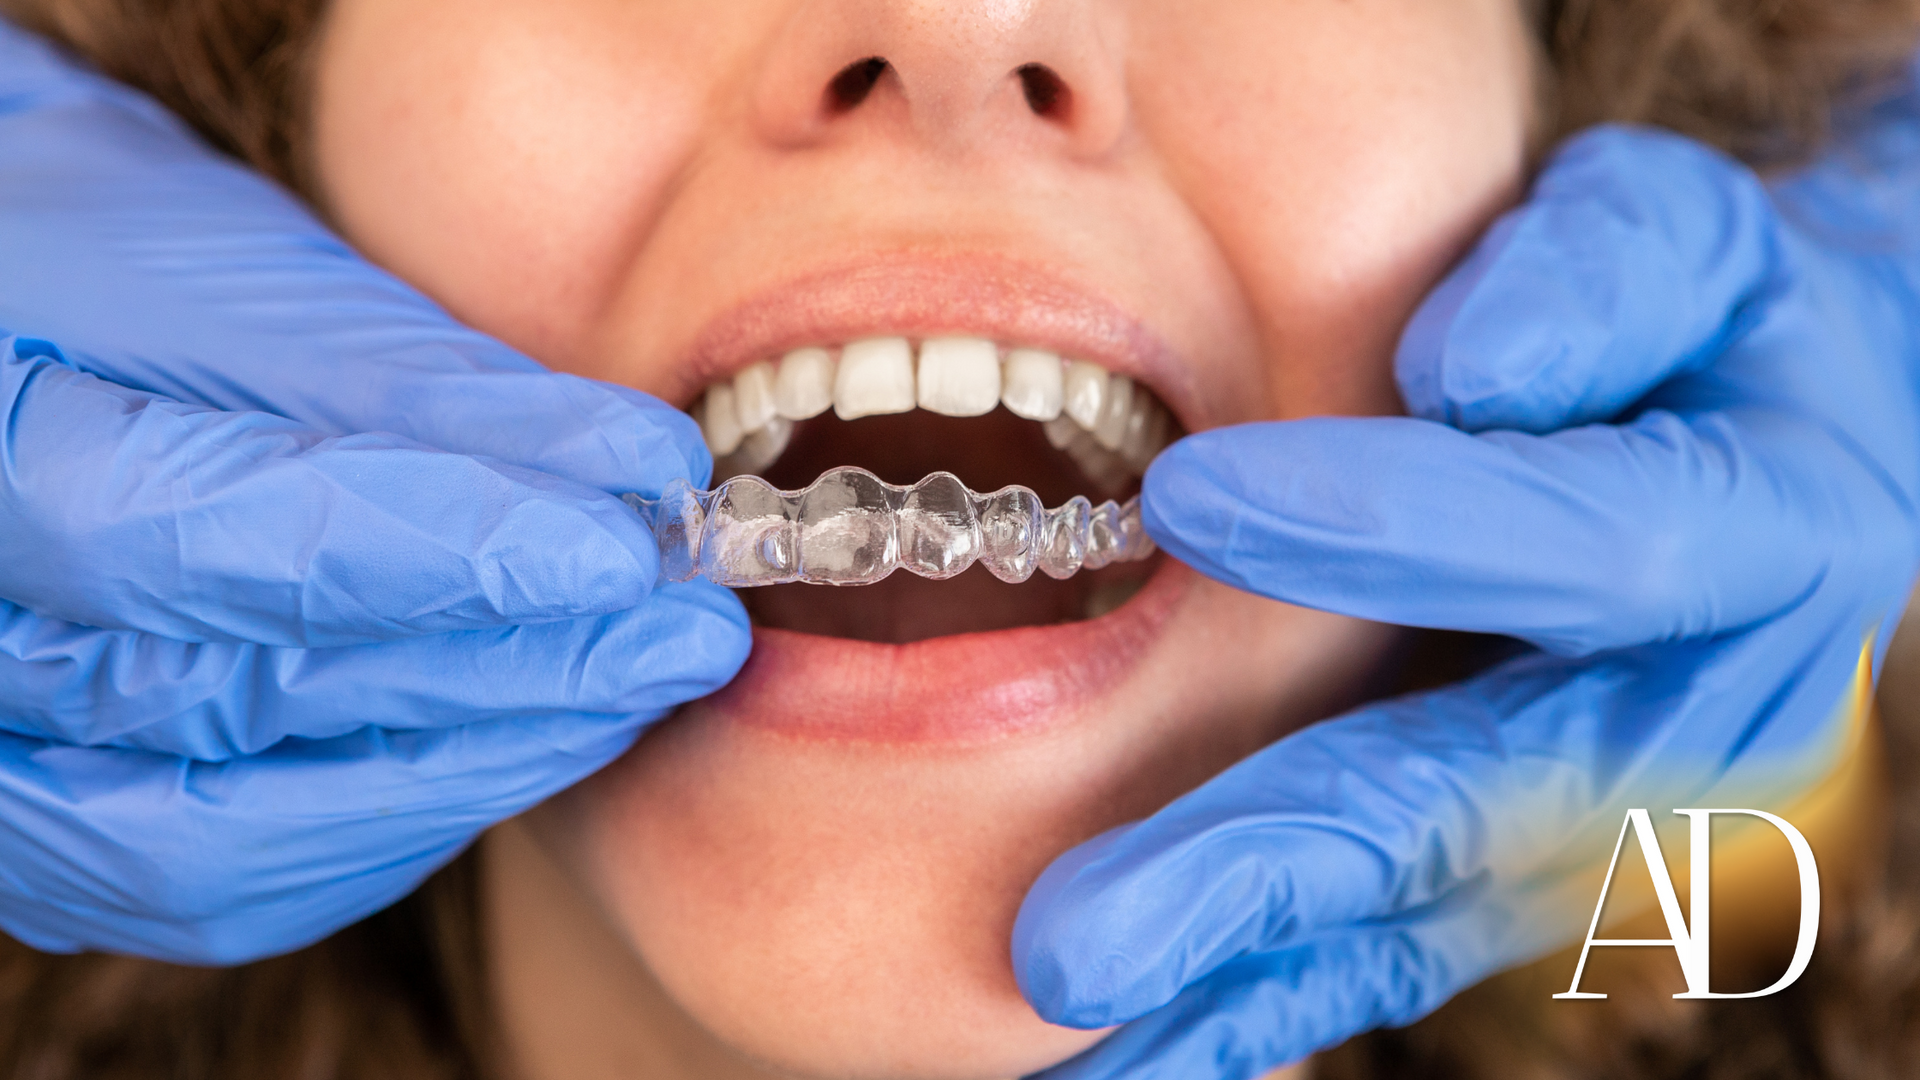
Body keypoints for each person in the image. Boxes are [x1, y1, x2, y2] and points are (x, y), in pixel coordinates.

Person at [0, 3, 1917, 1080]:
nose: (955, 27)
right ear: (250, 121)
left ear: (1573, 106)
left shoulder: (1755, 883)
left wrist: (1745, 895)